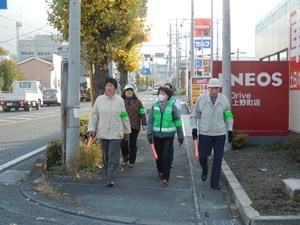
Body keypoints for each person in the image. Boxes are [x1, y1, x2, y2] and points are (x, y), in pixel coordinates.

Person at [190, 78, 233, 190]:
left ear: (219, 89)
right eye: (212, 88)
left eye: (216, 88)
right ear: (208, 88)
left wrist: (230, 129)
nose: (214, 90)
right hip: (205, 133)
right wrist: (194, 128)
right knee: (203, 156)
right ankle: (205, 169)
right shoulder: (202, 99)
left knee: (218, 159)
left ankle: (214, 183)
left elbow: (228, 115)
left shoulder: (224, 100)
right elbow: (194, 115)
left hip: (220, 133)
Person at [87, 77, 131, 187]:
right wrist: (91, 129)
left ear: (115, 88)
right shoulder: (99, 100)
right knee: (105, 155)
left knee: (113, 155)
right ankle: (108, 173)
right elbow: (94, 115)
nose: (108, 88)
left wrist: (127, 131)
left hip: (116, 132)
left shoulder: (120, 101)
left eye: (111, 86)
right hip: (103, 132)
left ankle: (111, 177)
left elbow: (124, 116)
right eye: (107, 86)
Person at [147, 86, 184, 187]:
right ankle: (160, 170)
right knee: (158, 156)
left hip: (168, 135)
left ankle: (165, 178)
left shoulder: (172, 106)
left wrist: (180, 134)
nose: (161, 95)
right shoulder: (154, 106)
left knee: (166, 156)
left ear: (168, 96)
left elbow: (177, 121)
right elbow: (150, 121)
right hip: (156, 135)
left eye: (163, 93)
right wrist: (149, 133)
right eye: (160, 93)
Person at [120, 84, 147, 168]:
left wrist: (144, 123)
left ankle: (132, 161)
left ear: (133, 92)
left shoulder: (137, 101)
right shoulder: (120, 101)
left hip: (134, 126)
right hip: (123, 126)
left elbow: (142, 112)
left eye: (130, 90)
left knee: (133, 144)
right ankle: (125, 157)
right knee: (123, 143)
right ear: (124, 92)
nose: (129, 92)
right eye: (127, 91)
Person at [164, 83, 181, 168]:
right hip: (160, 129)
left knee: (169, 146)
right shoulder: (159, 100)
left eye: (168, 89)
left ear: (171, 90)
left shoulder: (175, 100)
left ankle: (169, 162)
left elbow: (177, 116)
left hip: (171, 128)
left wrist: (179, 130)